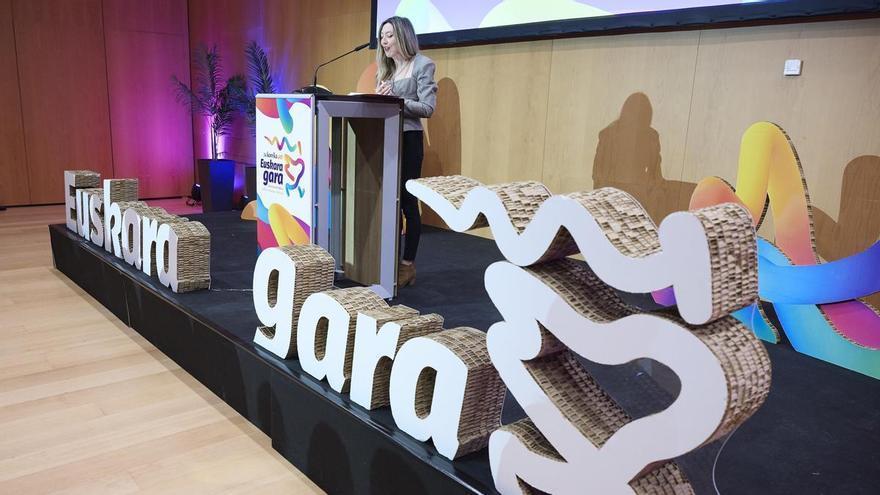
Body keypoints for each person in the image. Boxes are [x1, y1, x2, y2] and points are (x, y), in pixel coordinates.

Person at [375, 16, 437, 288]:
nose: (384, 41)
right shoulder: (385, 70)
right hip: (386, 138)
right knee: (388, 201)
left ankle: (407, 265)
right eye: (381, 37)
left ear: (402, 36)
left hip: (409, 139)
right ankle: (386, 259)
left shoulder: (422, 64)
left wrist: (397, 99)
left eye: (388, 35)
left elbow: (428, 108)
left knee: (408, 203)